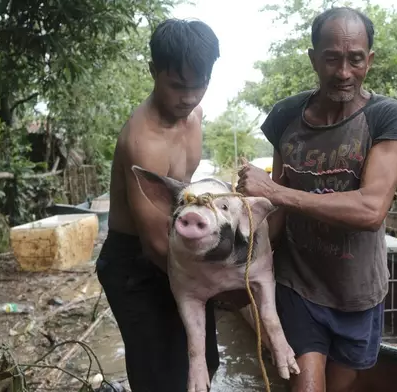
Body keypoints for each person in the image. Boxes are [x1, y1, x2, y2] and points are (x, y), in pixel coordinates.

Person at [237, 7, 397, 392]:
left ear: (369, 60)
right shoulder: (285, 117)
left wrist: (274, 191)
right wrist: (240, 263)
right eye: (332, 59)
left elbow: (371, 209)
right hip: (298, 285)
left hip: (359, 293)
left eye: (355, 60)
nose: (343, 72)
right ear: (313, 59)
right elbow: (276, 217)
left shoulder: (388, 118)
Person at [95, 19, 222, 392]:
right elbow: (153, 246)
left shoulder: (194, 117)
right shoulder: (144, 140)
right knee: (161, 380)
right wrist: (216, 283)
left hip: (180, 249)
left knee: (203, 363)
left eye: (199, 85)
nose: (188, 97)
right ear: (153, 71)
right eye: (177, 86)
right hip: (136, 263)